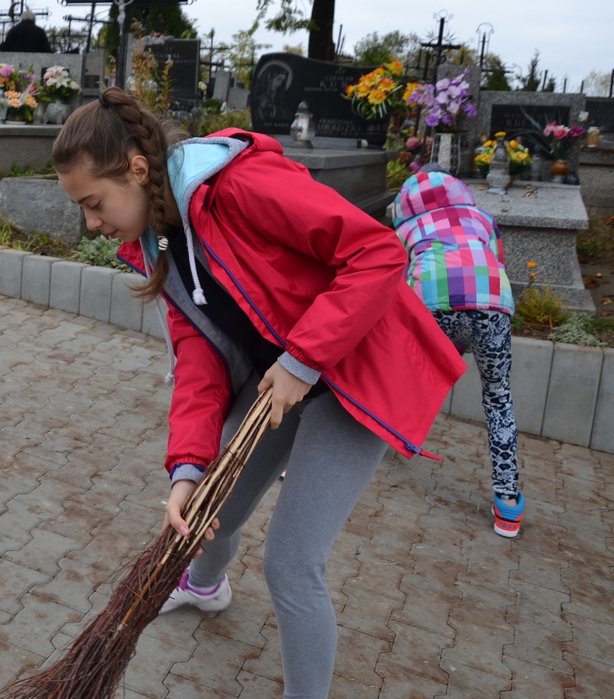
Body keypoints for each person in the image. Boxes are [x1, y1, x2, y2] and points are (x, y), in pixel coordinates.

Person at [52, 87, 466, 699]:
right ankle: (205, 586)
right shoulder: (162, 241)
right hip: (283, 374)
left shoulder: (240, 186)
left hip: (352, 371)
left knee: (291, 565)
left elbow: (378, 252)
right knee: (206, 509)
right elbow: (199, 363)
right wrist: (187, 470)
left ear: (137, 170)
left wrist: (303, 360)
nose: (91, 223)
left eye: (93, 203)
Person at [391, 164, 525, 538]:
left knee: (393, 373)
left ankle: (364, 437)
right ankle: (507, 503)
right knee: (498, 398)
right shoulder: (483, 220)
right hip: (492, 307)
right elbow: (497, 263)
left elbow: (397, 280)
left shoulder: (407, 228)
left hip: (431, 306)